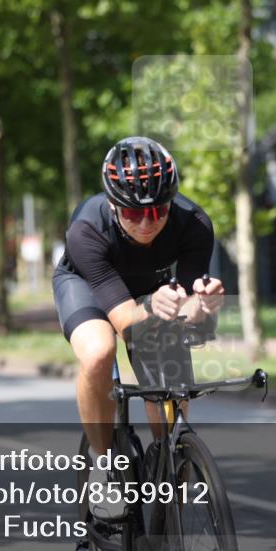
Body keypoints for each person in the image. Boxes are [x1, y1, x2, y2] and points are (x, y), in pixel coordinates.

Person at [52, 136, 225, 519]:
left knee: (170, 382)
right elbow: (128, 322)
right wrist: (155, 306)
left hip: (151, 289)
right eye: (132, 214)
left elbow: (191, 305)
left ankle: (170, 467)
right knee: (99, 353)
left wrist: (203, 302)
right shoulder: (87, 230)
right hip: (89, 288)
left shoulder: (194, 223)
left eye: (158, 212)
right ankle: (104, 465)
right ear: (113, 205)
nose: (146, 223)